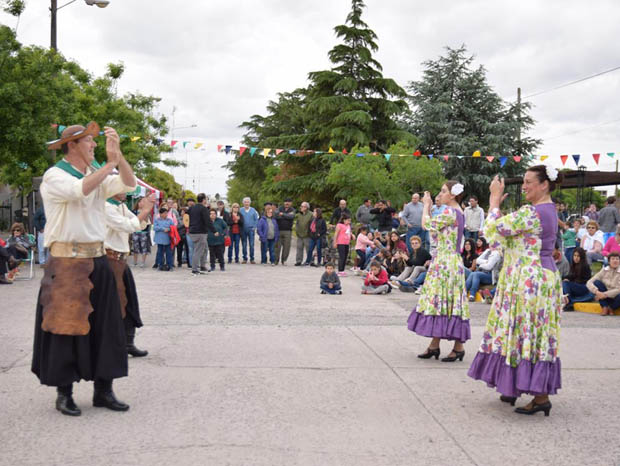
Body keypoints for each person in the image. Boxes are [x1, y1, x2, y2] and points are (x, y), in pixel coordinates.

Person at [32, 122, 137, 416]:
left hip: (97, 257)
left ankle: (104, 391)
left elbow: (129, 185)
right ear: (73, 145)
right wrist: (109, 165)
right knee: (66, 326)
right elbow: (79, 191)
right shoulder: (55, 176)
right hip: (66, 261)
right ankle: (64, 393)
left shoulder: (95, 173)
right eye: (90, 142)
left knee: (107, 326)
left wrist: (119, 157)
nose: (94, 146)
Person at [468, 167, 564, 416]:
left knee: (528, 332)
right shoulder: (547, 211)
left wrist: (493, 200)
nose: (524, 186)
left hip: (530, 280)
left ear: (544, 185)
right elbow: (504, 239)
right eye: (524, 181)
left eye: (529, 181)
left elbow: (493, 230)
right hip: (532, 277)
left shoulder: (533, 212)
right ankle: (513, 385)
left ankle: (540, 396)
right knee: (523, 331)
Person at [407, 181, 470, 362]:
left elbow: (427, 224)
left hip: (446, 262)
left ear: (452, 195)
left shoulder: (450, 211)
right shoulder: (456, 211)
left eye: (443, 191)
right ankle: (437, 345)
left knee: (444, 301)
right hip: (446, 260)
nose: (440, 194)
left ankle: (456, 347)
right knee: (444, 302)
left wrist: (426, 205)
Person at [105, 192, 154, 358]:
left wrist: (143, 211)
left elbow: (138, 225)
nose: (126, 192)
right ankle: (109, 344)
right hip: (108, 259)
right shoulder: (104, 206)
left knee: (129, 301)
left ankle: (128, 342)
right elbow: (126, 226)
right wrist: (145, 211)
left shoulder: (120, 206)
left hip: (120, 259)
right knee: (113, 303)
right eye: (123, 188)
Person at [189, 193, 216, 275]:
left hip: (193, 231)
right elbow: (208, 221)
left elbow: (186, 216)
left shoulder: (192, 208)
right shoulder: (203, 209)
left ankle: (202, 266)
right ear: (204, 200)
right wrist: (214, 231)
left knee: (205, 249)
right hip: (200, 232)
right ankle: (194, 269)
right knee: (198, 251)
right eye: (206, 199)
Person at [586, 251, 620, 316]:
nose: (615, 261)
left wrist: (604, 294)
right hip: (604, 297)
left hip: (616, 297)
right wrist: (597, 292)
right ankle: (604, 307)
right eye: (613, 259)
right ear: (609, 262)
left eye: (617, 259)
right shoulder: (604, 270)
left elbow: (618, 289)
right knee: (597, 283)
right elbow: (589, 282)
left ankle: (611, 308)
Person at [274, 198, 296, 265]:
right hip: (279, 230)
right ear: (284, 202)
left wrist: (282, 214)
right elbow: (276, 216)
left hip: (288, 231)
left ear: (291, 203)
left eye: (289, 202)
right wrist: (286, 216)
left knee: (287, 247)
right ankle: (276, 260)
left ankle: (284, 260)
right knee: (277, 247)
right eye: (286, 201)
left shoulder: (293, 210)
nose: (287, 203)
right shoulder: (279, 208)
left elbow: (291, 217)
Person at [131, 197, 151, 268]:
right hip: (135, 231)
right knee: (135, 247)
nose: (141, 203)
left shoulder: (146, 211)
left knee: (143, 247)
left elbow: (147, 222)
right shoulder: (134, 211)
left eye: (142, 202)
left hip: (144, 231)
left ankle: (143, 262)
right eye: (140, 202)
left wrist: (144, 213)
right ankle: (135, 262)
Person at [239, 197, 259, 264]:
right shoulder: (240, 210)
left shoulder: (253, 210)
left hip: (251, 230)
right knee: (244, 244)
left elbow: (256, 219)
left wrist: (254, 227)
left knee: (251, 244)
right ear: (243, 203)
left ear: (250, 203)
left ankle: (252, 259)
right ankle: (245, 258)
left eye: (247, 202)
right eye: (245, 202)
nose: (246, 203)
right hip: (243, 230)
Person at [294, 202, 312, 266]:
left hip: (307, 235)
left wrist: (310, 233)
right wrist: (297, 231)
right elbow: (297, 224)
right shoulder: (299, 214)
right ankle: (298, 261)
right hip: (299, 235)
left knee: (309, 249)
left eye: (302, 206)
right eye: (301, 206)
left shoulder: (311, 214)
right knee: (299, 248)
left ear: (306, 207)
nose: (301, 207)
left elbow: (312, 225)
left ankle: (310, 261)